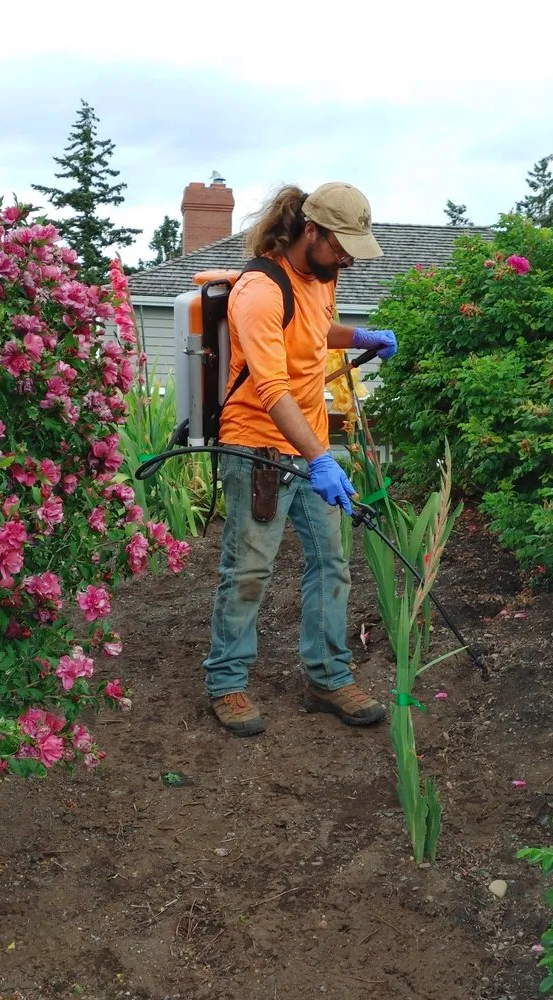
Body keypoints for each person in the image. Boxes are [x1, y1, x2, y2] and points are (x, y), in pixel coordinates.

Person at [202, 182, 397, 736]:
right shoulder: (259, 291)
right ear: (311, 231)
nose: (347, 260)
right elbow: (272, 390)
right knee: (249, 569)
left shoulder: (323, 275)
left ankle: (328, 677)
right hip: (258, 448)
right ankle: (226, 683)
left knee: (332, 561)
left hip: (310, 446)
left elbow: (312, 331)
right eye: (341, 246)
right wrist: (320, 459)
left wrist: (359, 336)